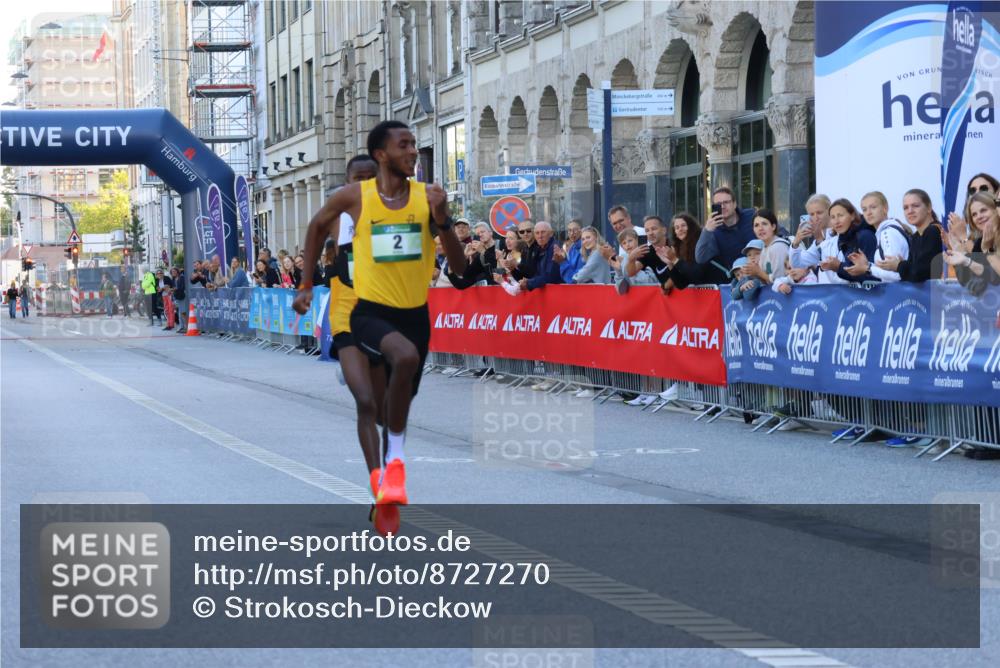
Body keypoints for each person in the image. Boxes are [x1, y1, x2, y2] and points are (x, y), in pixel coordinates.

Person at [292, 121, 466, 536]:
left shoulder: (422, 199)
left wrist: (441, 221)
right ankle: (383, 480)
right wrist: (305, 283)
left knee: (389, 408)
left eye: (369, 178)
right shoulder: (346, 207)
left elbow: (458, 270)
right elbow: (316, 228)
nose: (365, 184)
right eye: (358, 179)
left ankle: (389, 481)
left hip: (408, 311)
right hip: (354, 312)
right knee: (367, 402)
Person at [874, 189, 944, 283]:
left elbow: (922, 273)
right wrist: (902, 265)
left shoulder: (933, 231)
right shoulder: (916, 236)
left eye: (915, 206)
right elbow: (915, 272)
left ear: (929, 207)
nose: (910, 211)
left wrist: (899, 265)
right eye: (905, 208)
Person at [694, 186, 756, 282]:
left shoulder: (751, 215)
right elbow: (700, 258)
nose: (722, 206)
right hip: (740, 282)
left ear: (734, 204)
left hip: (764, 275)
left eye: (726, 202)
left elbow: (777, 231)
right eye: (718, 204)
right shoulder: (713, 231)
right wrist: (707, 230)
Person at [944, 192, 1000, 293]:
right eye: (974, 214)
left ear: (996, 209)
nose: (979, 216)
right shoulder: (979, 242)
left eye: (983, 210)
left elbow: (995, 278)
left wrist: (964, 238)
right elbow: (971, 283)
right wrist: (958, 250)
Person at [850, 191, 911, 283]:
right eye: (864, 209)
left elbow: (897, 274)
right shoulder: (885, 232)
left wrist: (867, 268)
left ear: (885, 208)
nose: (868, 213)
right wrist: (867, 265)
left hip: (900, 294)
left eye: (873, 207)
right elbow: (890, 269)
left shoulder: (888, 233)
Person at [823, 198, 878, 284]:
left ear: (852, 216)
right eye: (833, 217)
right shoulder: (843, 238)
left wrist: (839, 267)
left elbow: (874, 276)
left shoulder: (865, 236)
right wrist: (835, 266)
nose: (837, 221)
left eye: (840, 215)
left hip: (874, 295)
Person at [512, 221, 563, 291]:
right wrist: (513, 269)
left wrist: (529, 283)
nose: (540, 236)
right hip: (546, 293)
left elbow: (551, 276)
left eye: (543, 232)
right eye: (537, 233)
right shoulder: (540, 248)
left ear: (551, 233)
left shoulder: (554, 247)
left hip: (558, 292)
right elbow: (536, 274)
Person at [744, 209, 790, 286]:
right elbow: (767, 282)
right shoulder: (765, 248)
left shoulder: (778, 247)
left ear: (773, 226)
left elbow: (780, 282)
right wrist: (753, 273)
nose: (760, 228)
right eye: (756, 225)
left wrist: (758, 272)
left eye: (764, 224)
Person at [610, 228, 658, 293]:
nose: (627, 245)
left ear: (637, 240)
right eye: (624, 243)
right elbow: (621, 291)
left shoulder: (647, 254)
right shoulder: (624, 259)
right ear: (622, 247)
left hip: (651, 295)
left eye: (630, 241)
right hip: (634, 299)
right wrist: (618, 271)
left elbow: (651, 281)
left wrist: (629, 263)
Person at [171, 266, 188, 333]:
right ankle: (182, 326)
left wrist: (175, 289)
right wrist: (172, 290)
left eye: (174, 271)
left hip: (182, 296)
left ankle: (186, 327)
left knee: (183, 312)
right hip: (177, 296)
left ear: (177, 272)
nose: (173, 273)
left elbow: (182, 287)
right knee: (179, 312)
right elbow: (174, 287)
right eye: (172, 272)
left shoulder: (182, 278)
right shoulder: (173, 279)